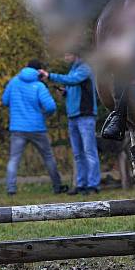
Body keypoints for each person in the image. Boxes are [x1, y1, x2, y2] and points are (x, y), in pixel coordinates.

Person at [2, 59, 68, 195]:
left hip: (17, 128)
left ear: (26, 67)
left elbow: (5, 100)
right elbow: (50, 106)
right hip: (37, 128)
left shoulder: (14, 82)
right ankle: (57, 186)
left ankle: (11, 189)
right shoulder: (39, 86)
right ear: (39, 71)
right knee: (48, 157)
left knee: (14, 159)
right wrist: (43, 115)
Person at [39, 54, 101, 195]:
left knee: (89, 151)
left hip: (85, 115)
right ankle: (81, 184)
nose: (65, 56)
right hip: (73, 116)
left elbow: (73, 80)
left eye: (68, 54)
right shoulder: (73, 69)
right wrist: (66, 92)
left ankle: (93, 185)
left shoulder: (85, 68)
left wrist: (50, 76)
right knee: (78, 153)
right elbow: (73, 85)